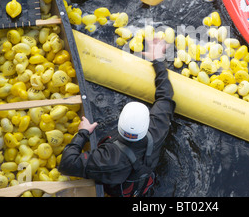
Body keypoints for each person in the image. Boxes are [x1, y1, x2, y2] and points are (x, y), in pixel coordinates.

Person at [58, 38, 176, 197]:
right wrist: (158, 61)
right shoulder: (157, 129)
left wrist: (83, 133)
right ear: (148, 122)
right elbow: (165, 97)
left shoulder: (107, 158)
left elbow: (66, 164)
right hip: (140, 186)